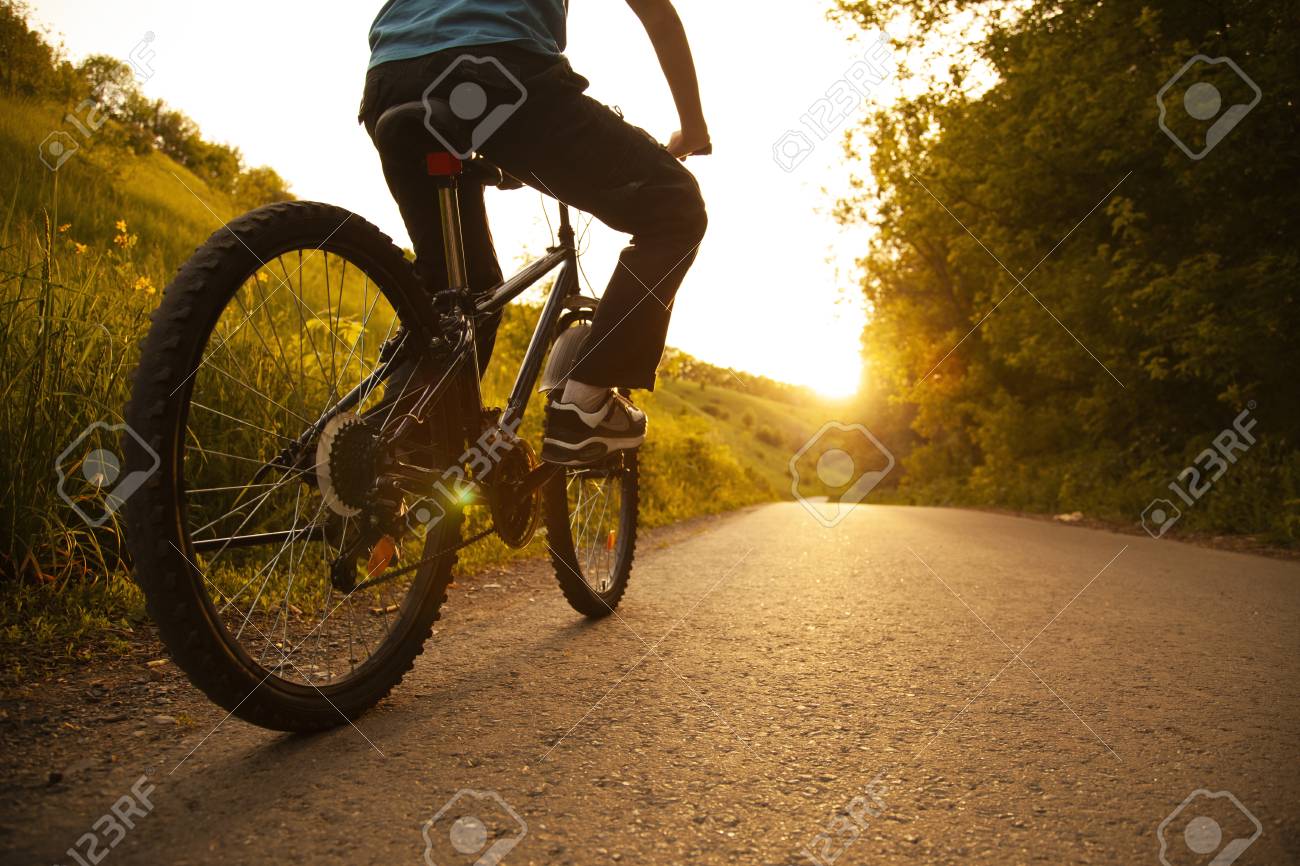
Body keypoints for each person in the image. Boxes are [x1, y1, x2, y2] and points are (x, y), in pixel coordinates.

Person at [359, 0, 710, 466]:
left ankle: (385, 459)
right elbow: (658, 16)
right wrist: (692, 128)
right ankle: (583, 410)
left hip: (391, 80)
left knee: (463, 295)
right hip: (495, 71)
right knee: (675, 207)